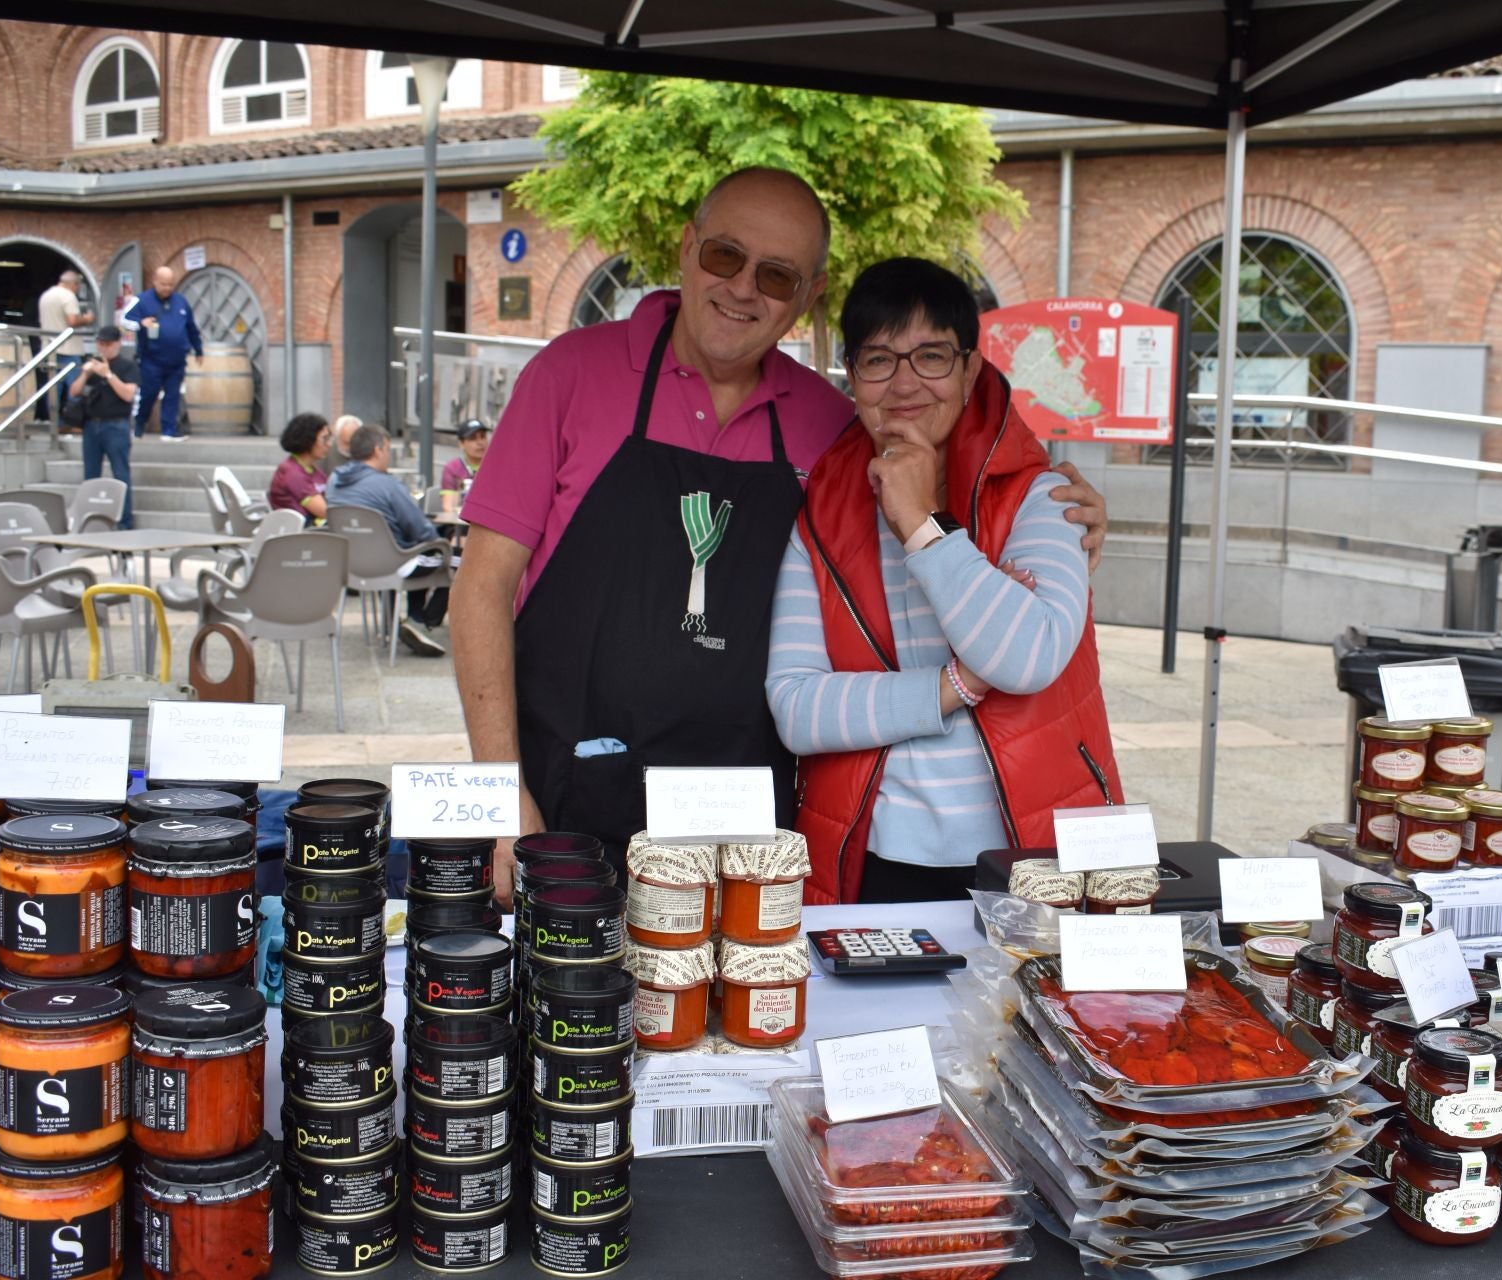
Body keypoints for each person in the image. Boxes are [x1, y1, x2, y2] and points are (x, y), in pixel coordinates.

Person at [454, 166, 1107, 901]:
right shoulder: (569, 375)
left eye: (776, 275)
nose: (742, 289)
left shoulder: (831, 425)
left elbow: (946, 472)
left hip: (746, 826)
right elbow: (480, 590)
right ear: (686, 246)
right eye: (725, 257)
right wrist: (501, 791)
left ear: (808, 296)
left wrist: (1058, 506)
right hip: (566, 798)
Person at [766, 259, 1123, 903]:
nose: (904, 383)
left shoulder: (1044, 498)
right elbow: (796, 707)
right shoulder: (819, 521)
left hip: (1031, 851)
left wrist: (919, 524)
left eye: (931, 356)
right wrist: (956, 684)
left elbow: (1027, 656)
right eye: (878, 360)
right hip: (874, 852)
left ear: (969, 372)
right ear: (853, 378)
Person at [328, 423, 450, 656]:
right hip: (394, 564)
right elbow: (421, 530)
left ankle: (401, 623)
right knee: (455, 561)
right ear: (378, 449)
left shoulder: (334, 481)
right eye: (387, 448)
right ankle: (420, 621)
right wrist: (439, 540)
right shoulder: (387, 485)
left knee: (415, 549)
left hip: (353, 566)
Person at [65, 325, 140, 529]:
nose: (104, 348)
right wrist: (85, 374)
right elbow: (74, 391)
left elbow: (127, 394)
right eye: (101, 344)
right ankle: (90, 520)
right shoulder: (92, 366)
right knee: (90, 476)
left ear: (117, 343)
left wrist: (108, 375)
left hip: (116, 425)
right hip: (92, 426)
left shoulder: (127, 367)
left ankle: (124, 521)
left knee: (120, 474)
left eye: (108, 344)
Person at [122, 266, 202, 441]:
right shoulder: (141, 300)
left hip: (177, 359)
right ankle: (140, 422)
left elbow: (191, 328)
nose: (167, 288)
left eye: (171, 284)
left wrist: (198, 349)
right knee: (148, 394)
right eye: (163, 284)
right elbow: (124, 319)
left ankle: (169, 430)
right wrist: (141, 323)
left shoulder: (181, 302)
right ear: (155, 282)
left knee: (172, 394)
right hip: (152, 359)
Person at [37, 270, 94, 426]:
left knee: (53, 387)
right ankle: (72, 422)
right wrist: (88, 319)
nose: (77, 290)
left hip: (49, 348)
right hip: (69, 349)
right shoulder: (68, 296)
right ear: (73, 284)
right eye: (78, 286)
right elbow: (72, 320)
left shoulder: (46, 295)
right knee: (74, 387)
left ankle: (54, 421)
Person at [269, 412, 331, 521]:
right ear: (308, 440)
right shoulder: (292, 473)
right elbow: (325, 512)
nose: (329, 444)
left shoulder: (312, 470)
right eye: (324, 439)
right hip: (300, 534)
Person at [440, 419, 488, 496]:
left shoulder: (497, 467)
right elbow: (449, 506)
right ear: (461, 444)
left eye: (483, 437)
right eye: (473, 438)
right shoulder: (453, 468)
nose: (480, 442)